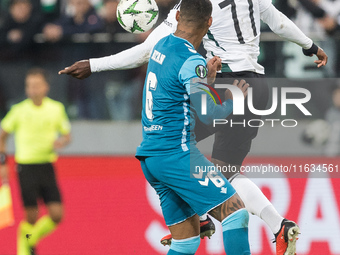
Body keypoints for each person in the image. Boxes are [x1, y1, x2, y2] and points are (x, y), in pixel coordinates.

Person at [58, 0, 328, 254]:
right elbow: (277, 21)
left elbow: (146, 51)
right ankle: (273, 224)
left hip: (227, 85)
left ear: (178, 17)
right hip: (256, 86)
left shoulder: (189, 11)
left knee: (183, 150)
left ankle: (209, 216)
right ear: (208, 22)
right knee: (219, 172)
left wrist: (94, 64)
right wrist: (309, 45)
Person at [136, 0, 251, 254]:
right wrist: (233, 101)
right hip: (177, 155)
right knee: (236, 215)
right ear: (209, 23)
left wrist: (205, 81)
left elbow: (175, 88)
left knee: (186, 242)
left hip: (151, 157)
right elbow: (210, 115)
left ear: (176, 16)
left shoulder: (161, 46)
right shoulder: (192, 60)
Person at [0, 68, 71, 255]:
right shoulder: (18, 110)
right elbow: (2, 136)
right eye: (29, 86)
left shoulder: (56, 109)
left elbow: (66, 135)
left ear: (46, 87)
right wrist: (2, 162)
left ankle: (30, 239)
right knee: (31, 215)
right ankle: (24, 249)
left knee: (56, 214)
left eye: (37, 85)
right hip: (26, 167)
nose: (33, 89)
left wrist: (61, 141)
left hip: (46, 165)